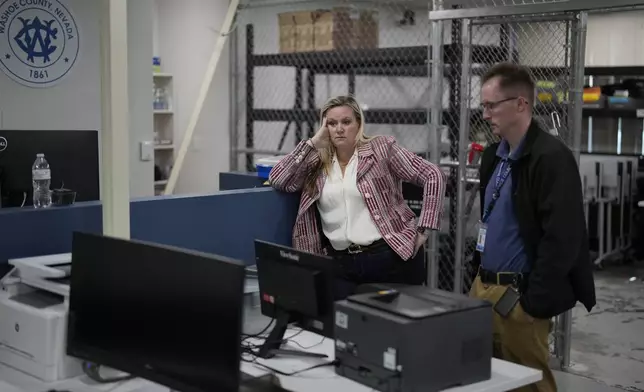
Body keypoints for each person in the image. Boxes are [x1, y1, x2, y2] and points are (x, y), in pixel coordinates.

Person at [471, 62, 596, 392]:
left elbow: (563, 238)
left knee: (528, 383)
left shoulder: (551, 157)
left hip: (520, 296)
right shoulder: (492, 156)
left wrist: (533, 303)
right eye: (483, 106)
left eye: (491, 105)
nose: (485, 114)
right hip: (484, 288)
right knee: (485, 379)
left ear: (520, 104)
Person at [269, 95, 446, 288]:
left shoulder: (381, 149)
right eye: (331, 123)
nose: (339, 128)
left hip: (389, 256)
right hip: (340, 263)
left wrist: (425, 227)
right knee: (342, 317)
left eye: (346, 122)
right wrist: (312, 143)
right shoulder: (315, 162)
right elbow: (278, 179)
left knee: (389, 318)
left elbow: (432, 174)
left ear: (358, 123)